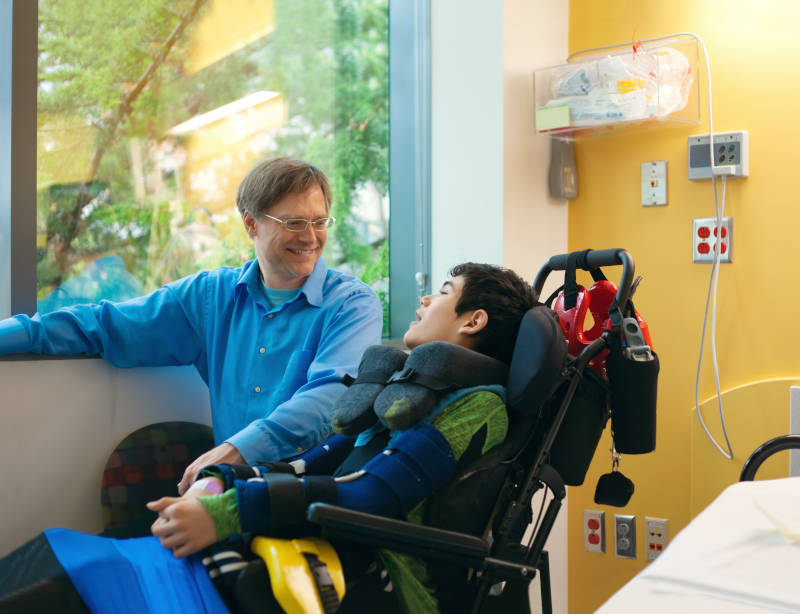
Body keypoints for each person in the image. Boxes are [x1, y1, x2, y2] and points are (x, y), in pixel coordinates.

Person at [0, 263, 538, 614]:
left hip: (382, 569)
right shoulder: (412, 387)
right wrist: (222, 481)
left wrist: (229, 513)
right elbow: (320, 460)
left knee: (77, 589)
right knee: (68, 565)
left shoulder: (475, 406)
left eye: (444, 292)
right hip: (332, 537)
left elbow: (373, 495)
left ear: (474, 321)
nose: (425, 299)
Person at [0, 158, 384, 491]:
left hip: (318, 494)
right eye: (294, 222)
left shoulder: (353, 304)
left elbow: (333, 396)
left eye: (319, 221)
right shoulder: (209, 297)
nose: (311, 236)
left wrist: (236, 450)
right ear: (251, 224)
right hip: (229, 489)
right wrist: (15, 334)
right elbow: (104, 324)